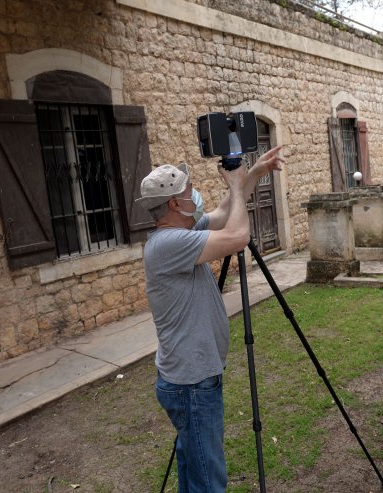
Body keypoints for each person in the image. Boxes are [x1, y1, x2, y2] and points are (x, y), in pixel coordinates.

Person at [135, 146, 285, 492]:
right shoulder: (169, 243)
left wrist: (252, 176)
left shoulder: (181, 233)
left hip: (192, 377)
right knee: (208, 480)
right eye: (189, 192)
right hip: (191, 382)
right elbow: (237, 237)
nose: (195, 196)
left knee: (194, 468)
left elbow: (222, 214)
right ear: (174, 204)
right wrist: (234, 184)